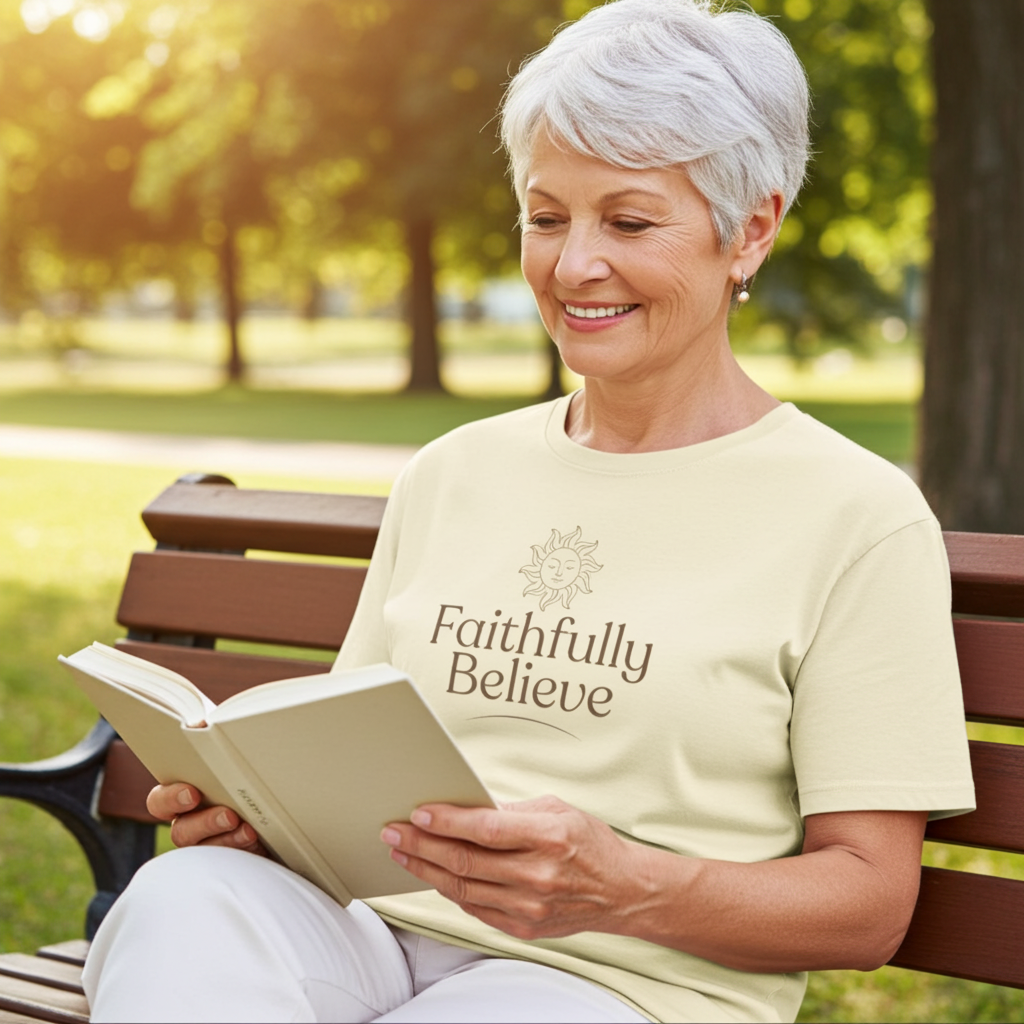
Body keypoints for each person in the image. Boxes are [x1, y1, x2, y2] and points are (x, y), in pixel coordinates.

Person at [82, 1, 975, 1021]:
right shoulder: (455, 472)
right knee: (188, 896)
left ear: (751, 229)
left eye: (629, 221)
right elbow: (344, 768)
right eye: (546, 217)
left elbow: (866, 901)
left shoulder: (855, 518)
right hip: (373, 934)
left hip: (618, 983)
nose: (573, 264)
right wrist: (263, 819)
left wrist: (628, 882)